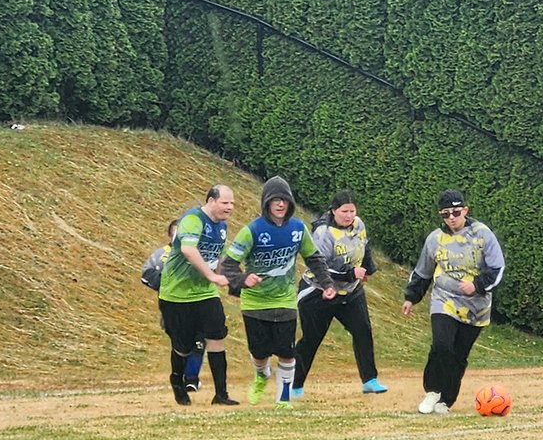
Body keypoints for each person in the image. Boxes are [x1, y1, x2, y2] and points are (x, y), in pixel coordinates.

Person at [221, 176, 335, 410]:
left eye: (285, 200)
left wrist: (327, 284)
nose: (281, 204)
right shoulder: (252, 231)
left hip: (285, 301)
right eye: (275, 200)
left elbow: (314, 258)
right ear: (266, 203)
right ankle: (261, 375)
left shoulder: (298, 229)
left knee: (287, 352)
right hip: (255, 303)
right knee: (259, 353)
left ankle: (283, 398)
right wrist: (243, 279)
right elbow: (228, 265)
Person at [402, 189, 505, 415]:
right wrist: (411, 297)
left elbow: (497, 268)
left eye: (456, 212)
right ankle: (432, 391)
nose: (451, 218)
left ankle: (446, 400)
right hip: (444, 299)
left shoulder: (482, 234)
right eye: (445, 214)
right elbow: (423, 271)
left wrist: (477, 285)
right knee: (442, 345)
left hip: (476, 307)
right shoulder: (435, 239)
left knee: (458, 356)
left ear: (465, 211)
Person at [292, 190, 387, 398]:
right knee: (311, 339)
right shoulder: (323, 233)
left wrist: (368, 269)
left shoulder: (359, 224)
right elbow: (319, 267)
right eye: (344, 211)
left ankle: (370, 380)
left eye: (352, 211)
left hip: (350, 291)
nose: (349, 216)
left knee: (363, 331)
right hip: (318, 292)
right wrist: (350, 273)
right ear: (333, 211)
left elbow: (365, 246)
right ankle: (295, 385)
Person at [158, 185, 239, 406]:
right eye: (225, 203)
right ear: (211, 201)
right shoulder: (193, 219)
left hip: (206, 294)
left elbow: (218, 257)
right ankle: (177, 381)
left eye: (232, 203)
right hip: (177, 294)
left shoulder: (222, 225)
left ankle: (221, 394)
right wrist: (211, 276)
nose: (230, 207)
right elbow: (188, 250)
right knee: (183, 347)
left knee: (216, 337)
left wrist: (230, 279)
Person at [141, 219, 204, 393]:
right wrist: (165, 282)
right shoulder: (162, 254)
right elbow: (146, 274)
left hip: (198, 304)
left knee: (199, 341)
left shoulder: (198, 253)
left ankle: (191, 379)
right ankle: (179, 375)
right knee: (181, 344)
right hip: (172, 307)